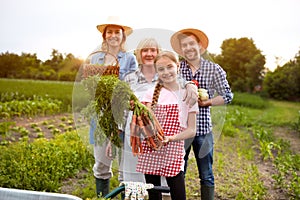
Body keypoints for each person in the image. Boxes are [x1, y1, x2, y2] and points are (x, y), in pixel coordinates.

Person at [170, 28, 234, 200]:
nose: (188, 48)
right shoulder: (176, 68)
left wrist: (208, 102)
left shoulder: (214, 69)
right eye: (184, 45)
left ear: (200, 46)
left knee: (206, 173)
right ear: (181, 50)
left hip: (203, 129)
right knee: (177, 171)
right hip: (180, 129)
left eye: (191, 43)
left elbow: (228, 95)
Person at [136, 50, 198, 200]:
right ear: (156, 71)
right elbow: (143, 124)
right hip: (151, 148)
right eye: (161, 69)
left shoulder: (187, 94)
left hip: (174, 149)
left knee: (178, 194)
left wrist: (170, 138)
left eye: (169, 67)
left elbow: (191, 130)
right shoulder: (150, 94)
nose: (166, 72)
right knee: (154, 194)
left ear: (177, 67)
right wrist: (147, 132)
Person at [87, 16, 138, 198]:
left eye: (117, 32)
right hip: (100, 115)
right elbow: (91, 86)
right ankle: (104, 197)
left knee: (125, 166)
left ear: (123, 36)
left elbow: (132, 87)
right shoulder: (95, 58)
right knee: (101, 164)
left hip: (122, 114)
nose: (113, 35)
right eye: (110, 32)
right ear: (104, 35)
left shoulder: (130, 58)